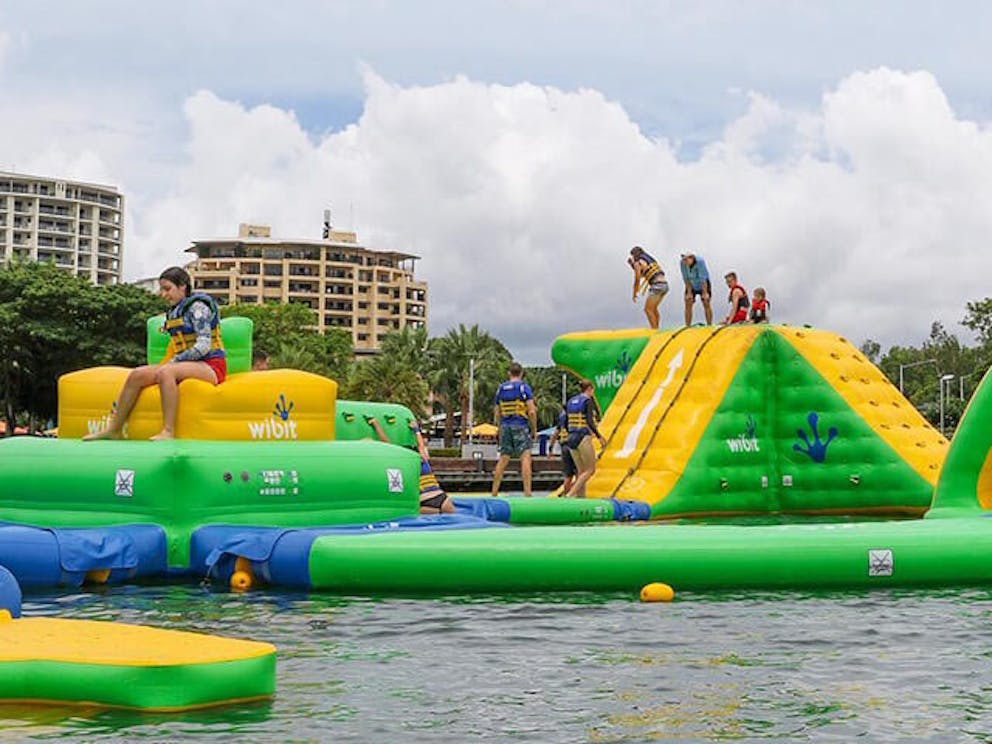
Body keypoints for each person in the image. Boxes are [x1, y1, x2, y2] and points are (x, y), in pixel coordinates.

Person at [84, 266, 226, 441]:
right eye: (162, 289)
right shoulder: (176, 310)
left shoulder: (198, 308)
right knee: (137, 375)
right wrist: (176, 362)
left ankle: (168, 430)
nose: (163, 294)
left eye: (167, 289)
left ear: (183, 286)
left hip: (211, 366)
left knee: (166, 372)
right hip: (185, 364)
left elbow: (204, 345)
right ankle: (114, 429)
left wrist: (176, 361)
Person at [368, 418, 455, 515]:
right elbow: (421, 445)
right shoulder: (423, 459)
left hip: (424, 500)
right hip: (441, 497)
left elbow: (387, 445)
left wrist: (376, 426)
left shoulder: (404, 463)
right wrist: (416, 430)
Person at [491, 362, 538, 498]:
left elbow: (497, 412)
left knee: (503, 459)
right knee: (525, 457)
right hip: (520, 425)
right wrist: (534, 429)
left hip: (505, 426)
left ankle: (494, 492)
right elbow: (532, 411)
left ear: (509, 373)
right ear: (521, 373)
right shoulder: (523, 387)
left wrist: (499, 428)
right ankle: (527, 493)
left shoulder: (501, 389)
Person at [564, 380, 606, 498]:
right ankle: (570, 494)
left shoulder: (571, 401)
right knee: (590, 470)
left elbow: (566, 422)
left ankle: (581, 498)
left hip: (571, 437)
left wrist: (570, 433)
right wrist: (599, 437)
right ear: (590, 389)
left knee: (581, 471)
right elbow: (589, 421)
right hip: (582, 436)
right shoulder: (587, 401)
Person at [627, 246, 669, 329]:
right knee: (653, 308)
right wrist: (632, 265)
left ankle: (654, 330)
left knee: (648, 309)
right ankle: (657, 328)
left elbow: (637, 278)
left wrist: (634, 292)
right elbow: (644, 274)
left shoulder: (637, 262)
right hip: (664, 285)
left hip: (657, 286)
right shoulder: (647, 260)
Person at [680, 253, 713, 325]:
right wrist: (689, 292)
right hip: (691, 283)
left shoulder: (700, 262)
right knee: (688, 301)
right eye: (684, 260)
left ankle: (709, 325)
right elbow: (685, 278)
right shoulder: (682, 263)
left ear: (692, 258)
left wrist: (705, 293)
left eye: (686, 260)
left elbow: (703, 279)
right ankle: (687, 326)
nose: (685, 263)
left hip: (703, 283)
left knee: (706, 301)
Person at [549, 408, 576, 495]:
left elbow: (556, 433)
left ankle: (566, 494)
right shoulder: (575, 415)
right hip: (574, 445)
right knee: (580, 472)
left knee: (568, 475)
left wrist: (550, 448)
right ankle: (574, 493)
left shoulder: (562, 417)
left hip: (564, 447)